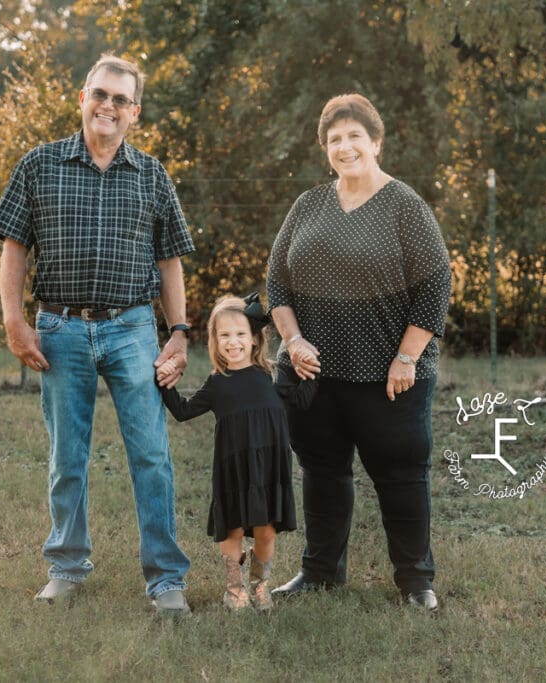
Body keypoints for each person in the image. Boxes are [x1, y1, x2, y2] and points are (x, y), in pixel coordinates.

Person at [0, 54, 194, 616]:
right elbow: (13, 248)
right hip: (60, 328)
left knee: (150, 453)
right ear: (82, 98)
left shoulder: (151, 175)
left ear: (135, 112)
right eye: (99, 94)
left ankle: (165, 578)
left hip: (132, 329)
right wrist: (14, 320)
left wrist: (177, 331)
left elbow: (170, 260)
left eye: (120, 99)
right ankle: (67, 567)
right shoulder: (39, 164)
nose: (108, 106)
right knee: (67, 455)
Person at [266, 93, 451, 611]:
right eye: (334, 139)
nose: (344, 147)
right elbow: (276, 282)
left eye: (354, 136)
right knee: (322, 472)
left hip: (389, 375)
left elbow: (436, 286)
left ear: (375, 141)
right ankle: (320, 573)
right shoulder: (309, 204)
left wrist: (408, 356)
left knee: (401, 476)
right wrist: (293, 339)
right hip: (313, 375)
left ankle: (416, 582)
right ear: (325, 148)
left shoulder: (405, 206)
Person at [157, 294, 297, 612]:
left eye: (240, 334)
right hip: (232, 468)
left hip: (269, 467)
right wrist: (163, 379)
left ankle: (261, 584)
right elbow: (182, 410)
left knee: (266, 531)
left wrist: (312, 366)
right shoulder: (218, 384)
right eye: (224, 335)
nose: (232, 342)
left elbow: (303, 399)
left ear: (254, 338)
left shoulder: (273, 376)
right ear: (214, 340)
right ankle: (235, 587)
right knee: (232, 527)